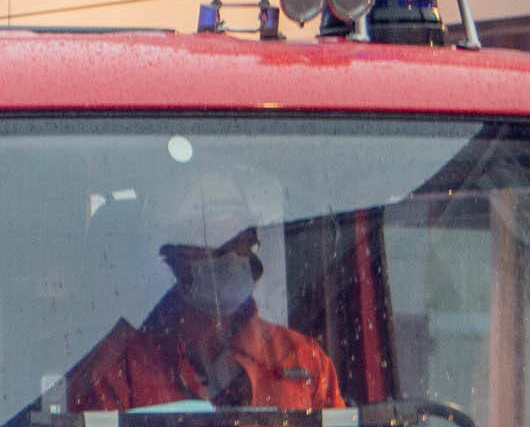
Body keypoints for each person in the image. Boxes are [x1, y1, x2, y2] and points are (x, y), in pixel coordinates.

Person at [65, 173, 343, 413]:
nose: (229, 255)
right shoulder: (119, 370)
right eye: (210, 238)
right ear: (172, 256)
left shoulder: (303, 360)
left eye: (239, 239)